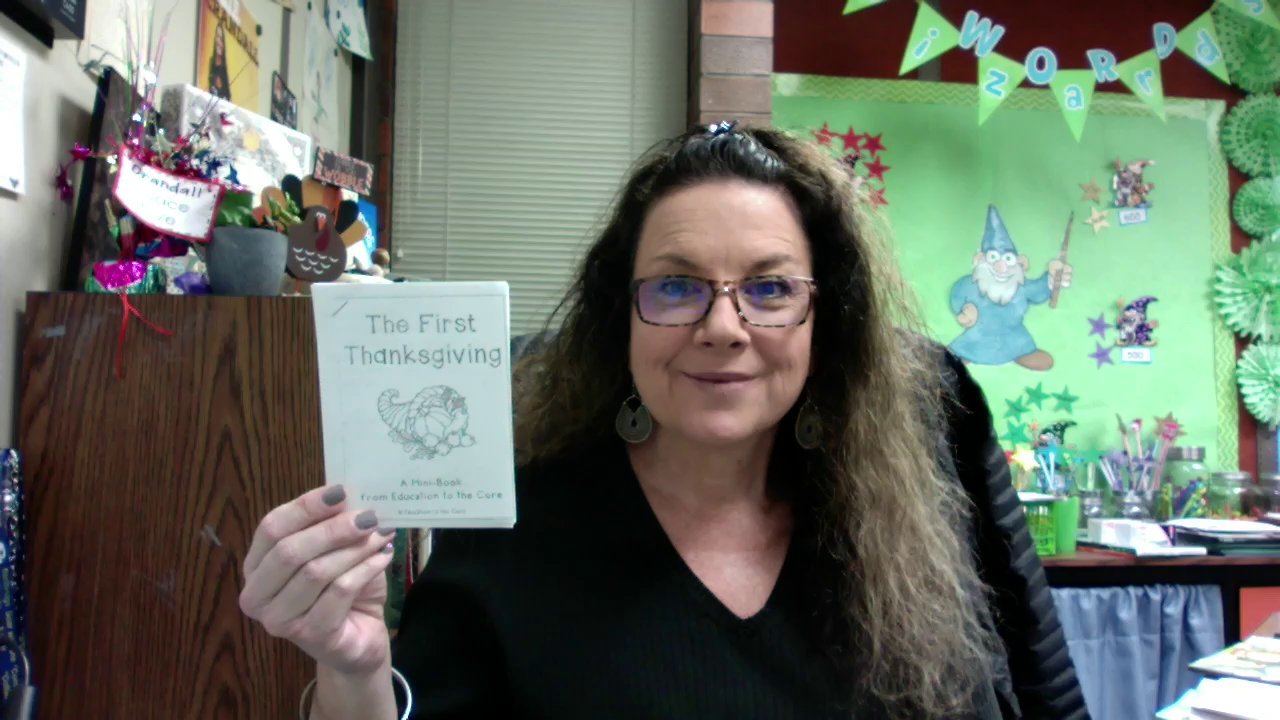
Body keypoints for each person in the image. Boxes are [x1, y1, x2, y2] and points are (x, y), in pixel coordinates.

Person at [239, 123, 1088, 719]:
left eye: (770, 288)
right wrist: (352, 668)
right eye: (677, 287)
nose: (723, 327)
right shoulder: (516, 534)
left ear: (825, 320)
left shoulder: (902, 515)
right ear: (624, 317)